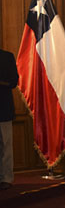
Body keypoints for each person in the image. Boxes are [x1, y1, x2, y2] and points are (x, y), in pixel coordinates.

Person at [0, 49, 19, 191]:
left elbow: (14, 81)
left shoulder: (7, 56)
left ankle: (6, 178)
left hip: (3, 108)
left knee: (5, 145)